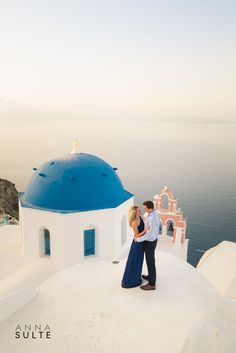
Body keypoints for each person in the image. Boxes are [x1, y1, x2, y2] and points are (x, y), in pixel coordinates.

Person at [121, 206, 150, 288]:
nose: (140, 211)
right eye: (138, 210)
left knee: (139, 261)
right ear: (135, 212)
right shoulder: (134, 222)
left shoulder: (140, 218)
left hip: (142, 242)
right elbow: (137, 236)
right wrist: (145, 230)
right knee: (134, 261)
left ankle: (136, 278)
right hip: (137, 244)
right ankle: (131, 281)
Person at [134, 201, 160, 291]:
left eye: (145, 208)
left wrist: (138, 239)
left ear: (149, 208)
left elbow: (149, 235)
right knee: (150, 261)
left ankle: (152, 284)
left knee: (150, 262)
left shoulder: (152, 218)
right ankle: (150, 276)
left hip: (150, 242)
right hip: (154, 240)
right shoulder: (155, 213)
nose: (144, 209)